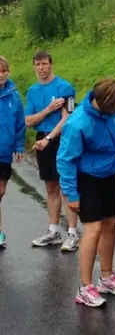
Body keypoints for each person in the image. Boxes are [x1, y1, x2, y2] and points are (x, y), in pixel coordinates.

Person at [25, 50, 115, 251]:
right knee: (51, 187)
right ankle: (53, 230)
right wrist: (47, 110)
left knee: (67, 186)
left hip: (61, 137)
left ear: (51, 64)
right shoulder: (32, 90)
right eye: (37, 64)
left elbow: (68, 118)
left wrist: (49, 137)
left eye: (44, 63)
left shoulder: (65, 88)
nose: (41, 68)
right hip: (42, 139)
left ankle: (72, 232)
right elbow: (29, 120)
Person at [57, 78, 115, 307]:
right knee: (94, 229)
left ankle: (106, 278)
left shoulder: (108, 106)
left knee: (110, 224)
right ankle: (84, 287)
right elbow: (65, 160)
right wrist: (71, 194)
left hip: (108, 172)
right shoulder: (78, 123)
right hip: (87, 178)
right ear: (106, 102)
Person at [0, 56, 25, 248]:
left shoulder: (13, 95)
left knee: (1, 191)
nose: (1, 75)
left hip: (5, 152)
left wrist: (18, 146)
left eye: (4, 70)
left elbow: (19, 124)